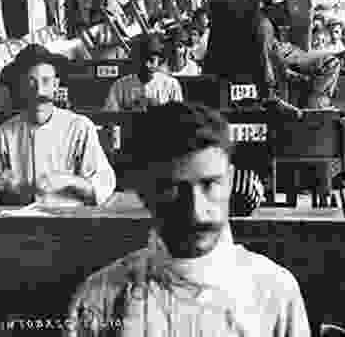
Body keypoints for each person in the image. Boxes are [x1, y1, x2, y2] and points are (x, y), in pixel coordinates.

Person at [67, 102, 310, 336]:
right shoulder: (98, 299)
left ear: (230, 180)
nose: (196, 211)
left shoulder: (276, 291)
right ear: (143, 192)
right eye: (174, 189)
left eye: (210, 184)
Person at [0, 45, 116, 206]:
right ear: (21, 87)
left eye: (46, 81)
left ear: (56, 85)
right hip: (21, 223)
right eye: (31, 82)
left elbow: (103, 187)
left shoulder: (80, 127)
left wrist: (69, 180)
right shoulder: (5, 133)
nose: (39, 91)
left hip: (71, 222)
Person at [104, 33, 183, 111]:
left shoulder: (171, 85)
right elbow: (111, 117)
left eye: (151, 60)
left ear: (159, 60)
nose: (147, 65)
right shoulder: (120, 86)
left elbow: (178, 117)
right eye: (142, 60)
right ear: (135, 61)